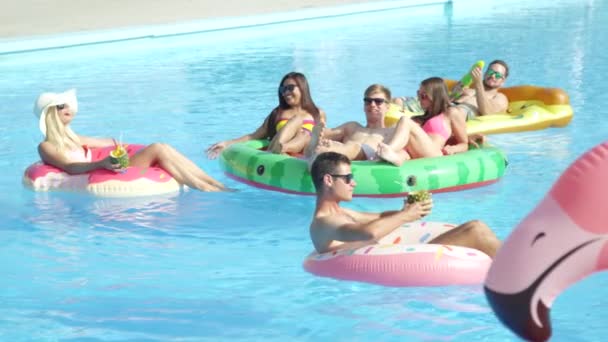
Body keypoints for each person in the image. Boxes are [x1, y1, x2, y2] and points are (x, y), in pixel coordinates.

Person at [308, 151, 501, 257]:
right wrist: (407, 215)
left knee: (475, 228)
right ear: (328, 180)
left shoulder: (342, 213)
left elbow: (379, 218)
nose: (354, 183)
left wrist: (407, 209)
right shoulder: (324, 223)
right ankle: (520, 274)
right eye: (348, 177)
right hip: (393, 266)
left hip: (392, 256)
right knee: (475, 230)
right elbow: (369, 232)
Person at [35, 89, 228, 192]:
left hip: (107, 167)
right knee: (158, 148)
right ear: (50, 114)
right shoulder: (46, 146)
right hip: (100, 173)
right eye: (61, 106)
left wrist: (117, 148)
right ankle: (205, 187)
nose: (69, 108)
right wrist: (102, 162)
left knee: (163, 148)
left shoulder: (74, 138)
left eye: (68, 105)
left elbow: (107, 141)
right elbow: (70, 167)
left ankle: (214, 184)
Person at [305, 82, 468, 166]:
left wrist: (455, 147)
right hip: (374, 153)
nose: (372, 105)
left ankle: (387, 155)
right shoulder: (352, 126)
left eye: (378, 101)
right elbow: (324, 132)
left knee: (356, 147)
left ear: (388, 107)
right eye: (368, 101)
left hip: (375, 152)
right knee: (327, 144)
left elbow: (462, 141)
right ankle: (319, 151)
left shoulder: (393, 131)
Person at [206, 72, 326, 158]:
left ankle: (288, 148)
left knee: (305, 135)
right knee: (298, 121)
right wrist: (227, 143)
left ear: (302, 88)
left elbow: (322, 136)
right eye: (283, 89)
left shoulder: (317, 113)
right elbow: (253, 136)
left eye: (290, 88)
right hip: (280, 154)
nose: (286, 93)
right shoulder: (278, 113)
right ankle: (282, 147)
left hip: (305, 154)